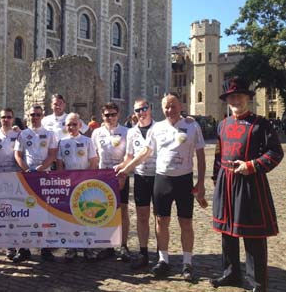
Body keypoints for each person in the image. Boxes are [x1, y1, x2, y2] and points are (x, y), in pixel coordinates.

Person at [116, 93, 206, 281]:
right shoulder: (157, 129)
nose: (169, 110)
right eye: (166, 106)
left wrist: (201, 182)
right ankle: (163, 260)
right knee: (161, 221)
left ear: (180, 106)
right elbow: (145, 153)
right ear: (162, 108)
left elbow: (201, 155)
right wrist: (126, 170)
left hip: (184, 180)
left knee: (186, 223)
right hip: (162, 180)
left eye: (173, 106)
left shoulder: (192, 125)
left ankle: (187, 263)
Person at [210, 77, 283, 292]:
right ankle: (231, 274)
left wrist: (252, 165)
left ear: (247, 98)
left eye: (239, 96)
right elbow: (217, 155)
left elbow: (276, 152)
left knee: (252, 235)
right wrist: (216, 181)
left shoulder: (261, 123)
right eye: (232, 97)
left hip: (250, 184)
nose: (236, 100)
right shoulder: (222, 124)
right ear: (227, 100)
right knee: (228, 233)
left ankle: (257, 282)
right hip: (226, 182)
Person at [14, 104, 58, 262]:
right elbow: (18, 154)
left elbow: (52, 155)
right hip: (27, 176)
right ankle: (24, 248)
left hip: (44, 175)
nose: (35, 117)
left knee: (45, 213)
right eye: (32, 114)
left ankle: (45, 248)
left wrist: (40, 168)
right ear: (28, 115)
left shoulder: (50, 134)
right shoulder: (23, 134)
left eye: (38, 114)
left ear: (42, 115)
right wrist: (26, 169)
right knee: (25, 213)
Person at [119, 98, 156, 269]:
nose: (141, 113)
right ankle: (143, 252)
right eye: (137, 110)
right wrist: (120, 168)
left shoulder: (159, 128)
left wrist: (188, 119)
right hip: (141, 177)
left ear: (150, 109)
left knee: (161, 218)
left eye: (144, 109)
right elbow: (129, 156)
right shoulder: (131, 132)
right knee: (142, 216)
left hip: (159, 176)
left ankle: (162, 255)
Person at [57, 113, 99, 261]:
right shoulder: (62, 142)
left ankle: (89, 247)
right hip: (69, 184)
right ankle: (71, 247)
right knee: (70, 216)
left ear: (80, 125)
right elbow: (60, 164)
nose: (71, 127)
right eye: (68, 124)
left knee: (87, 215)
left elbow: (93, 161)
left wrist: (89, 180)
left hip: (85, 184)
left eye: (74, 124)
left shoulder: (87, 141)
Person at [91, 102, 130, 261]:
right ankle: (107, 245)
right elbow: (94, 156)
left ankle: (123, 245)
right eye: (107, 115)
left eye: (113, 114)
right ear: (102, 116)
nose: (110, 118)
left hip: (121, 175)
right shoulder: (96, 133)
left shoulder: (126, 132)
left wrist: (124, 175)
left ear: (118, 115)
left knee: (122, 210)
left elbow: (129, 156)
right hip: (103, 176)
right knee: (104, 211)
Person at [0, 108, 22, 260]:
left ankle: (10, 246)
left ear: (13, 119)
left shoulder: (19, 135)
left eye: (9, 117)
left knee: (13, 214)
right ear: (0, 119)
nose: (6, 120)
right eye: (3, 117)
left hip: (15, 179)